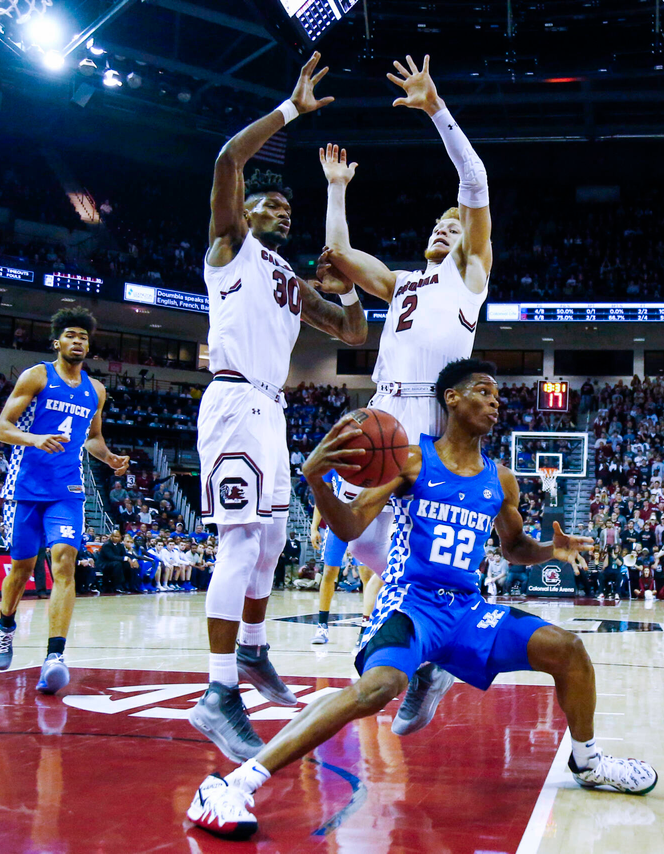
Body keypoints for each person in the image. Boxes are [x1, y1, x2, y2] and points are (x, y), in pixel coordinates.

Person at [186, 359, 656, 839]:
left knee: (569, 651)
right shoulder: (411, 459)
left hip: (468, 610)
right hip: (410, 604)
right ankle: (233, 786)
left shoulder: (501, 478)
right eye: (483, 391)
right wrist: (313, 479)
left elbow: (513, 548)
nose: (496, 402)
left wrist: (549, 550)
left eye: (498, 396)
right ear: (452, 398)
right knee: (377, 688)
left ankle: (589, 761)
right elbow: (349, 526)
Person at [189, 51, 366, 762]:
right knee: (239, 543)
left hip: (269, 409)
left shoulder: (291, 282)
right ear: (247, 212)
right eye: (272, 204)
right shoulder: (229, 246)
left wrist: (347, 279)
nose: (281, 213)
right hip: (232, 400)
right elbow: (230, 158)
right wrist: (291, 109)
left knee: (269, 542)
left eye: (288, 209)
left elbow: (353, 332)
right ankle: (216, 692)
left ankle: (254, 652)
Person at [316, 53, 494, 694]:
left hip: (429, 419)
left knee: (409, 556)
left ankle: (420, 665)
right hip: (379, 414)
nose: (446, 228)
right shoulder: (402, 283)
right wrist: (338, 188)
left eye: (455, 226)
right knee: (359, 543)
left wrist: (436, 109)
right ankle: (424, 654)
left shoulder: (469, 280)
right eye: (439, 225)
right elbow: (337, 253)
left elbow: (472, 183)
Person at [0, 307, 130, 694]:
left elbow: (93, 439)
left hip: (67, 489)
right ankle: (5, 625)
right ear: (57, 342)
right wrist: (34, 438)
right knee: (21, 569)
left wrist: (110, 457)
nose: (77, 341)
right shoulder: (37, 376)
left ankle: (55, 655)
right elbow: (2, 428)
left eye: (83, 336)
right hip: (26, 487)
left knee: (64, 561)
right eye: (70, 335)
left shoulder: (95, 390)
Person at [308, 470, 376, 644]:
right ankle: (322, 626)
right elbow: (323, 497)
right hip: (337, 523)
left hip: (363, 522)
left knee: (367, 575)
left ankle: (365, 629)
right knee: (329, 572)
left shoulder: (369, 459)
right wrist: (314, 526)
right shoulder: (334, 462)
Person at [96, 530, 140, 594]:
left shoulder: (120, 545)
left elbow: (125, 555)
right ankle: (117, 586)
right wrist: (125, 558)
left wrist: (133, 559)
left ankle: (129, 585)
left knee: (127, 564)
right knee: (118, 564)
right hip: (104, 563)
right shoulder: (107, 545)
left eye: (118, 537)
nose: (116, 538)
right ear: (111, 537)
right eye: (115, 536)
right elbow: (111, 557)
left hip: (114, 563)